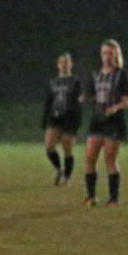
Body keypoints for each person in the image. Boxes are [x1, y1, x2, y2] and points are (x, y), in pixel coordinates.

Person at [81, 39, 128, 207]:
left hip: (114, 122)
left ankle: (113, 199)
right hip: (97, 120)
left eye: (111, 53)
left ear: (116, 55)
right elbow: (92, 96)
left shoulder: (121, 74)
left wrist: (116, 107)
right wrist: (84, 98)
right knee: (90, 158)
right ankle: (91, 197)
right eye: (104, 53)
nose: (107, 56)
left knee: (110, 160)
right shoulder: (96, 74)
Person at [41, 52, 82, 186]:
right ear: (58, 65)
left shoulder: (75, 81)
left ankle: (67, 177)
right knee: (49, 146)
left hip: (69, 118)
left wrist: (77, 121)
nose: (64, 65)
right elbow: (49, 100)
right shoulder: (53, 82)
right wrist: (44, 118)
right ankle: (59, 169)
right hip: (55, 117)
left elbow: (78, 102)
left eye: (67, 62)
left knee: (67, 148)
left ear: (71, 64)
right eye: (61, 62)